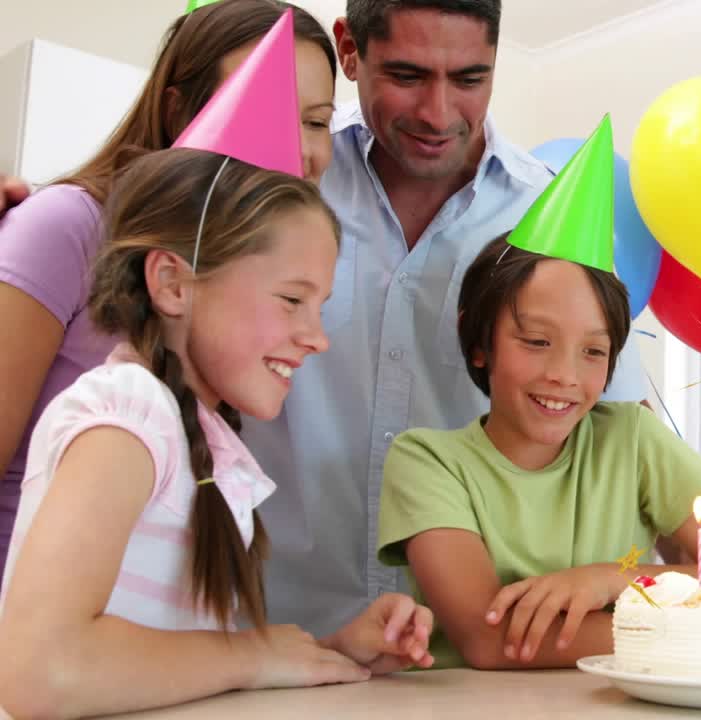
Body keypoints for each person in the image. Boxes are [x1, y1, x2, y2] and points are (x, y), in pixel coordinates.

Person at [241, 0, 653, 638]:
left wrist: (619, 580)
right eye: (407, 75)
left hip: (477, 654)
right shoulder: (290, 174)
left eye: (469, 79)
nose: (437, 114)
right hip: (276, 635)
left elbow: (621, 438)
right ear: (349, 50)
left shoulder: (546, 214)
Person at [0, 148, 432, 719]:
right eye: (292, 300)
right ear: (172, 284)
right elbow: (37, 671)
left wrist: (324, 654)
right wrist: (253, 654)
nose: (317, 337)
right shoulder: (127, 415)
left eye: (320, 307)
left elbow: (170, 666)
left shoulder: (197, 438)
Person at [376, 120, 701, 670]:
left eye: (592, 351)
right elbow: (489, 640)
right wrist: (693, 625)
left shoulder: (633, 440)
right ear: (480, 341)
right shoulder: (428, 463)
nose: (564, 375)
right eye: (537, 341)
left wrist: (616, 580)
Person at [0, 0, 338, 579]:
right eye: (264, 110)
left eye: (316, 122)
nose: (297, 152)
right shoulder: (65, 225)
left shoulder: (238, 288)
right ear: (178, 109)